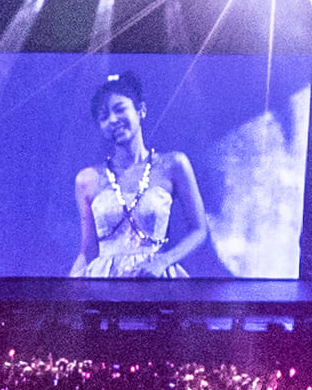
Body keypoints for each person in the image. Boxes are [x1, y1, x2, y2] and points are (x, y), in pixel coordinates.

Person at [68, 73, 210, 278]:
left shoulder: (174, 164)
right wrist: (66, 295)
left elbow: (199, 230)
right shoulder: (87, 179)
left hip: (156, 278)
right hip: (104, 282)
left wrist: (163, 261)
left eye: (119, 109)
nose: (113, 120)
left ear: (141, 110)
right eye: (104, 116)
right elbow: (88, 250)